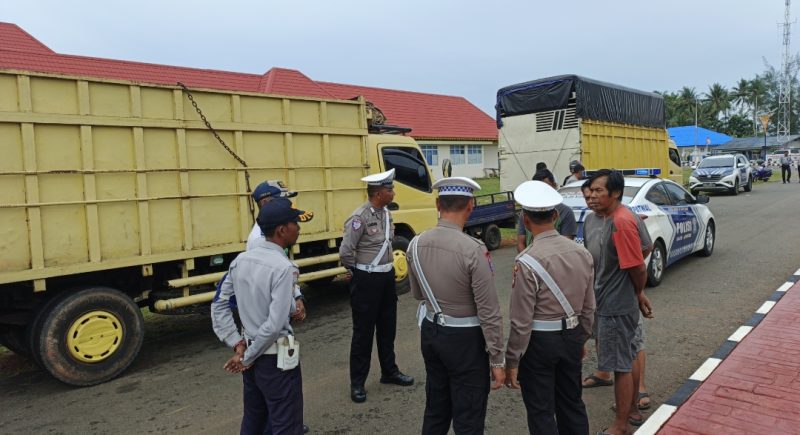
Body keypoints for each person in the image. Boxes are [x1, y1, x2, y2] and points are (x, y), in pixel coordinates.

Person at [407, 177, 505, 435]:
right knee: (468, 416)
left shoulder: (415, 244)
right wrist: (497, 359)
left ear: (438, 204)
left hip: (432, 331)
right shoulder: (474, 249)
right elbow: (489, 312)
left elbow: (418, 294)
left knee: (436, 408)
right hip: (466, 339)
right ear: (471, 206)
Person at [211, 199, 312, 435]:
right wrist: (247, 357)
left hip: (251, 355)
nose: (299, 228)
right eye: (295, 223)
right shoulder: (282, 267)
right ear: (282, 230)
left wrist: (238, 343)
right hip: (273, 359)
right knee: (286, 423)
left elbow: (219, 305)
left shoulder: (240, 260)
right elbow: (275, 325)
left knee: (254, 420)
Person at [505, 180, 596, 435]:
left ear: (525, 220)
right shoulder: (582, 253)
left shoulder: (526, 261)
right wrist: (581, 337)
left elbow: (521, 320)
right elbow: (589, 306)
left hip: (539, 341)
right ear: (556, 216)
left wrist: (512, 359)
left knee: (541, 410)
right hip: (572, 335)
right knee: (572, 403)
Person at [583, 169, 654, 435]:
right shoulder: (598, 219)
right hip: (607, 301)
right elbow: (643, 247)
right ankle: (629, 409)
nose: (591, 196)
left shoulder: (621, 221)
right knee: (627, 355)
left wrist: (637, 291)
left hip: (615, 305)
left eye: (598, 191)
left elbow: (638, 265)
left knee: (620, 365)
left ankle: (621, 424)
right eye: (590, 191)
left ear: (615, 193)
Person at [339, 168, 413, 403]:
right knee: (363, 333)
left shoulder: (387, 214)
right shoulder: (359, 218)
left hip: (386, 278)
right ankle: (357, 383)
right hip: (367, 280)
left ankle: (389, 372)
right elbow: (346, 251)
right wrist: (357, 271)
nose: (394, 192)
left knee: (388, 328)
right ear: (379, 193)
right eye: (390, 189)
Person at [516, 169, 577, 252]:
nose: (542, 193)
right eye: (538, 189)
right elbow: (521, 242)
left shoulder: (566, 212)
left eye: (546, 189)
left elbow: (566, 245)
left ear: (555, 185)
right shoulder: (526, 212)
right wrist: (525, 258)